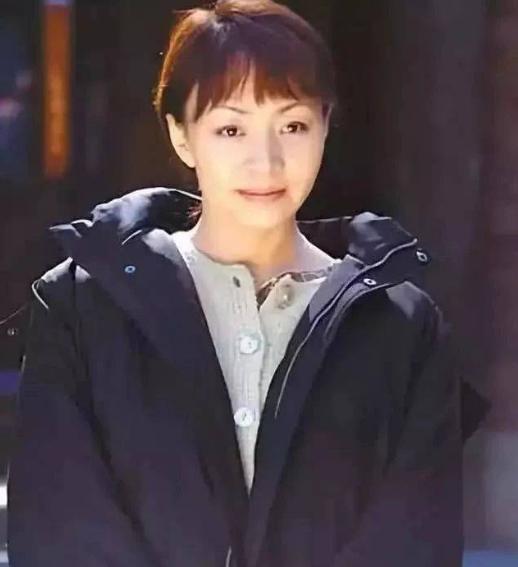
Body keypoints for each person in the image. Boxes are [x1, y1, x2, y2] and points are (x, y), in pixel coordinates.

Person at [6, 1, 486, 566]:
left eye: (293, 125)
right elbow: (60, 530)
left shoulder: (402, 325)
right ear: (181, 135)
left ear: (325, 127)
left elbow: (414, 543)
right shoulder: (83, 306)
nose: (266, 161)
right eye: (231, 128)